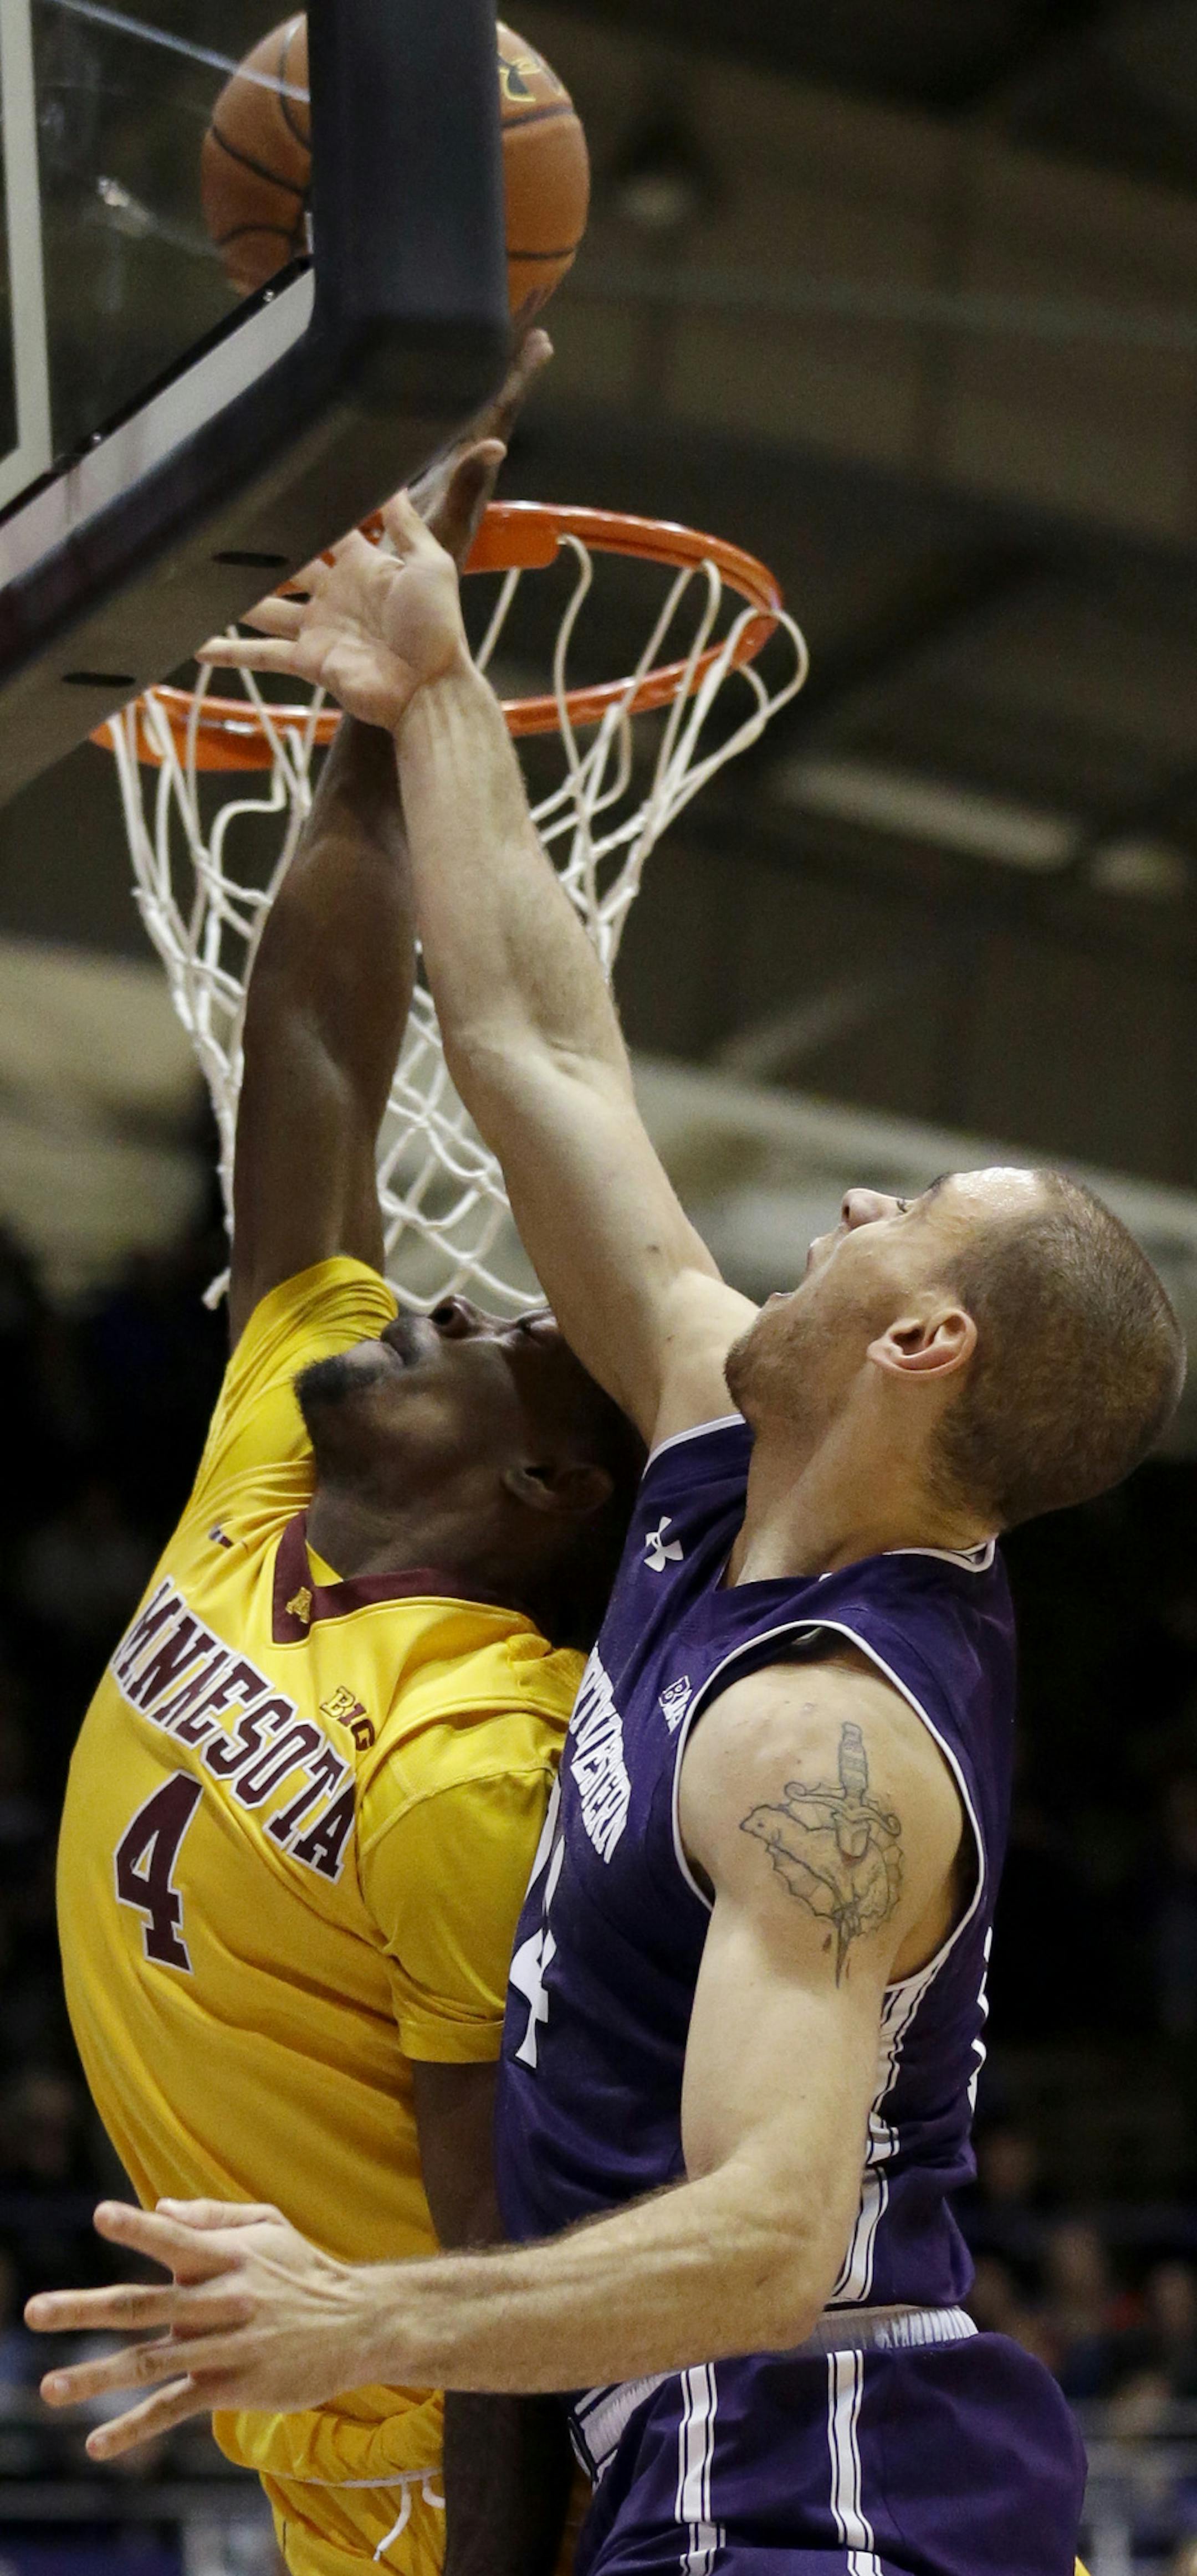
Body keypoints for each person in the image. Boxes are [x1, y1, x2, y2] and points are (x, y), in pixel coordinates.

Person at [29, 491, 1185, 2576]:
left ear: (923, 1341)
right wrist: (436, 681)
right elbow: (542, 1047)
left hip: (834, 2502)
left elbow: (766, 2241)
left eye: (898, 1217)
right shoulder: (712, 1437)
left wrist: (353, 2315)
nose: (842, 1210)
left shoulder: (830, 1739)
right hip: (705, 2482)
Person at [45, 377, 642, 2576]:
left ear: (548, 1491)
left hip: (453, 2499)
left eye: (497, 1337)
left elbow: (502, 2281)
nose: (443, 1298)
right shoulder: (283, 1395)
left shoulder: (476, 1757)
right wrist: (391, 693)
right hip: (329, 2470)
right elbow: (313, 1039)